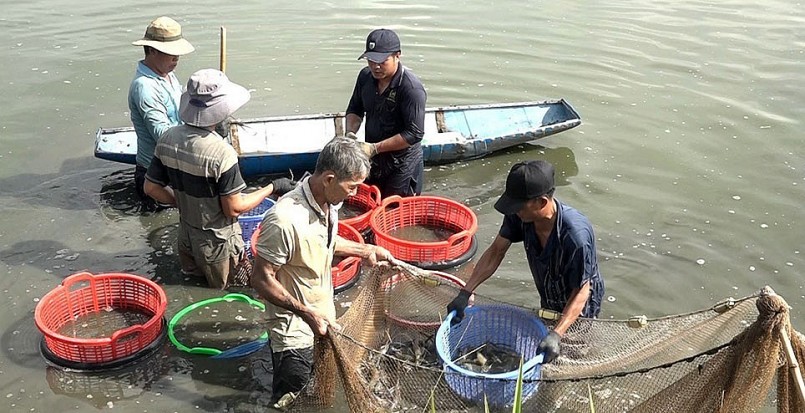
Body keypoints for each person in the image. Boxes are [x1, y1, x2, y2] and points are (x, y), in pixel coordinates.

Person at [250, 136, 394, 407]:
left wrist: (366, 251)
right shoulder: (284, 219)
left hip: (324, 319)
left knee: (319, 394)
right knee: (293, 400)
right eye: (351, 187)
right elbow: (260, 278)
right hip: (294, 332)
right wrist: (306, 313)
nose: (354, 194)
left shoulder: (330, 205)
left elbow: (325, 241)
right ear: (329, 178)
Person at [144, 69, 294, 289]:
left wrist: (183, 202)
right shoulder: (222, 153)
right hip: (217, 245)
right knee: (226, 291)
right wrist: (272, 187)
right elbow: (233, 208)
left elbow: (151, 187)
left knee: (192, 286)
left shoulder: (168, 138)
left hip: (186, 237)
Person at [447, 160, 605, 363]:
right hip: (549, 287)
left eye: (519, 206)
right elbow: (496, 251)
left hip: (579, 299)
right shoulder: (520, 216)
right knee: (546, 334)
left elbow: (582, 290)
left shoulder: (575, 236)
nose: (514, 211)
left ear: (541, 202)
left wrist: (557, 333)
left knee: (573, 347)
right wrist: (465, 292)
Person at [345, 28, 427, 197]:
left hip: (402, 163)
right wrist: (350, 133)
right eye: (371, 60)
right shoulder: (365, 77)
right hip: (373, 158)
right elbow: (355, 108)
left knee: (394, 212)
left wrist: (375, 148)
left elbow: (414, 134)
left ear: (397, 55)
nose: (376, 66)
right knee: (371, 200)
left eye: (382, 61)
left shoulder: (411, 88)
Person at [129, 16, 194, 212]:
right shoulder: (145, 87)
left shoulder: (167, 74)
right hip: (155, 175)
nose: (176, 59)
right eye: (170, 53)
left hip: (173, 167)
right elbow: (163, 135)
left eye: (177, 54)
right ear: (152, 51)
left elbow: (181, 111)